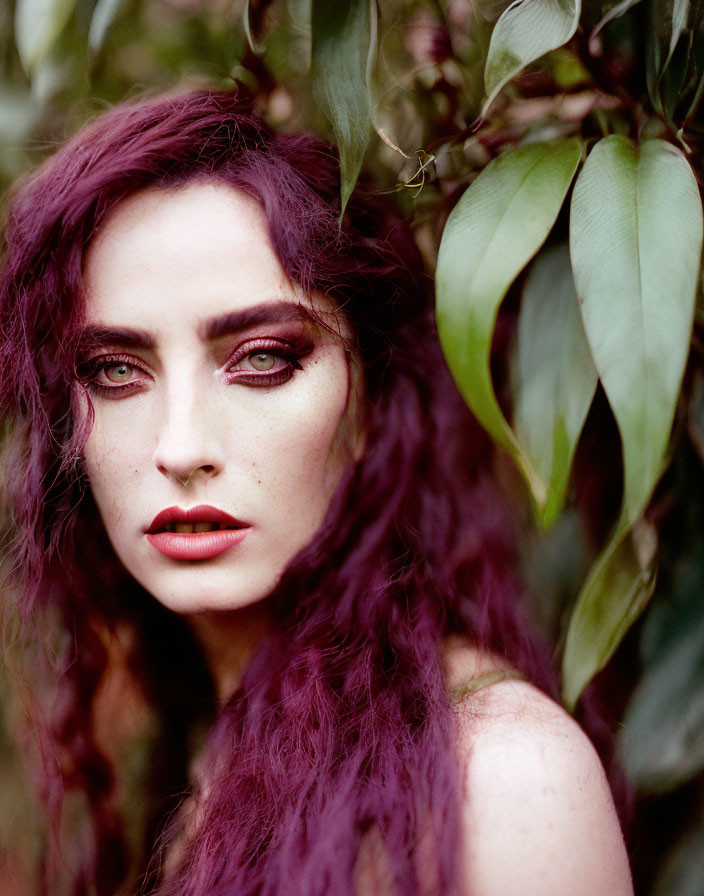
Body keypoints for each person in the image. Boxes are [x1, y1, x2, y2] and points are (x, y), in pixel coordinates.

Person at [0, 88, 633, 896]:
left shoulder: (504, 781)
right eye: (116, 371)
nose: (181, 447)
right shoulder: (192, 747)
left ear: (369, 401)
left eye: (262, 358)